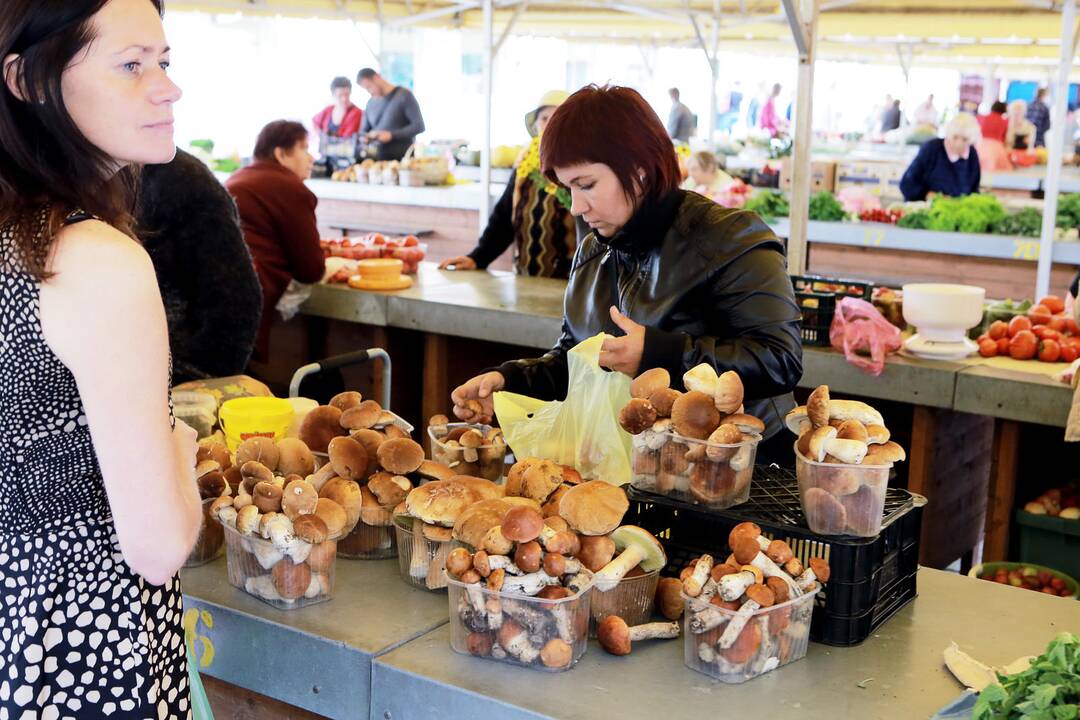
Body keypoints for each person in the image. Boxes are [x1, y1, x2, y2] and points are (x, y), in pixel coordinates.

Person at [0, 0, 199, 715]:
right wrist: (181, 441)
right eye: (131, 65)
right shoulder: (91, 258)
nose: (167, 86)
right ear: (25, 79)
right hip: (81, 651)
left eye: (165, 62)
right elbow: (159, 544)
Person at [450, 85, 803, 464]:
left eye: (586, 185)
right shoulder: (593, 250)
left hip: (741, 470)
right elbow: (578, 359)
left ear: (638, 170)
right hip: (643, 468)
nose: (575, 206)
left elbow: (780, 359)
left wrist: (658, 352)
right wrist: (510, 381)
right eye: (569, 188)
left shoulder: (729, 237)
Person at [137, 148, 263, 383]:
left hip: (173, 380)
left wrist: (199, 382)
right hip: (109, 379)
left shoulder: (182, 181)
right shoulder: (66, 175)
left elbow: (236, 297)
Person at [438, 91, 577, 278]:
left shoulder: (578, 169)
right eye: (544, 118)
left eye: (557, 118)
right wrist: (478, 257)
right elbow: (503, 219)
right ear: (535, 126)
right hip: (527, 278)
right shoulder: (524, 166)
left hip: (571, 283)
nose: (550, 125)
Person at [225, 121, 325, 362]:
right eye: (304, 148)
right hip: (248, 302)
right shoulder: (291, 189)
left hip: (219, 301)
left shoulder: (237, 178)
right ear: (281, 153)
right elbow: (311, 270)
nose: (311, 158)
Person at [900, 113, 982, 201]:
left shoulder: (972, 154)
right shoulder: (931, 148)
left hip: (956, 211)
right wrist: (928, 195)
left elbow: (974, 190)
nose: (959, 144)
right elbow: (906, 184)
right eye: (955, 137)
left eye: (965, 139)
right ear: (948, 134)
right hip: (926, 208)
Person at [357, 67, 426, 161]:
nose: (370, 92)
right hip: (378, 160)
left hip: (403, 159)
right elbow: (363, 131)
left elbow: (419, 126)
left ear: (377, 77)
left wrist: (392, 135)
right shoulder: (370, 102)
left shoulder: (404, 96)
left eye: (369, 87)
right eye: (366, 89)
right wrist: (365, 138)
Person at [976, 101, 1012, 172]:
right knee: (997, 171)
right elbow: (1004, 137)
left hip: (981, 145)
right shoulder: (1004, 121)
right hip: (996, 146)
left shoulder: (981, 118)